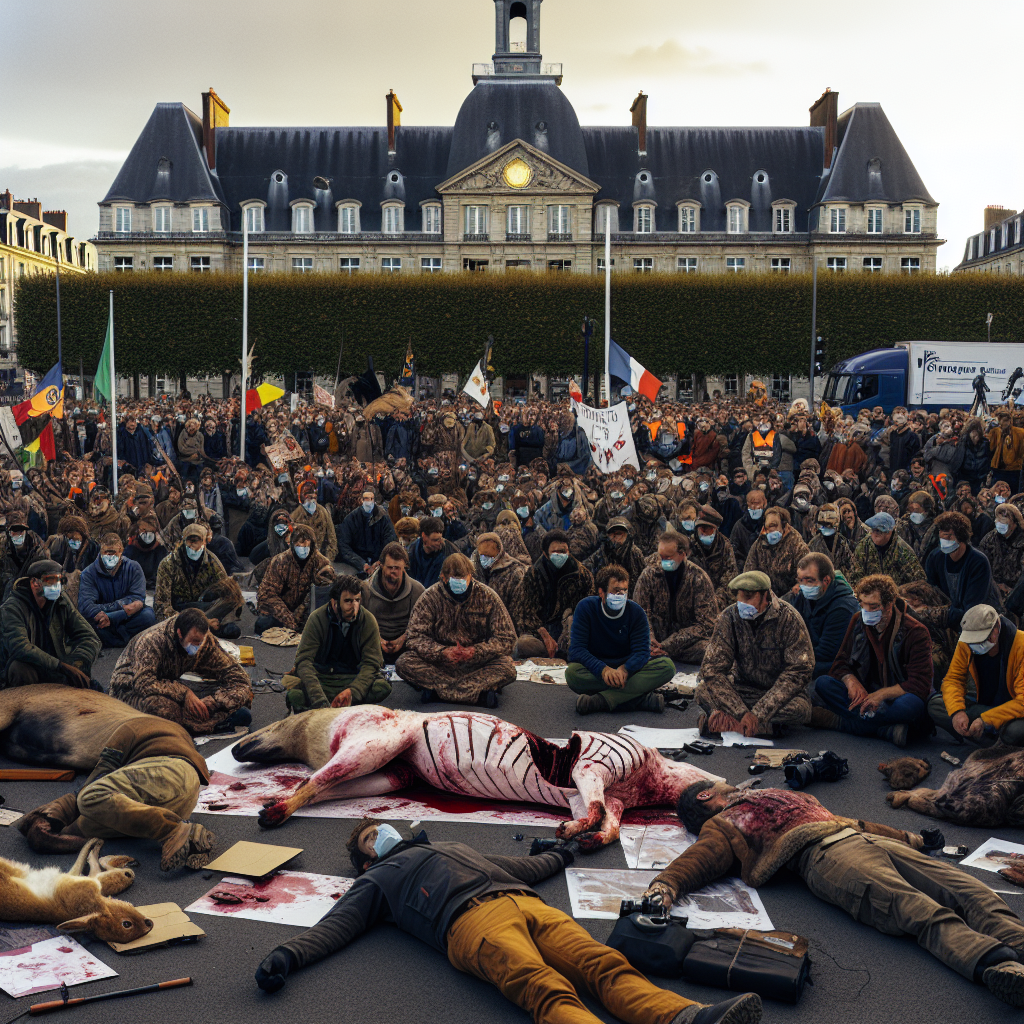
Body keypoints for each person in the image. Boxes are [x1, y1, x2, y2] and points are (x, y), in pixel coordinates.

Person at [253, 819, 761, 1024]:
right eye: (371, 838)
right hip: (471, 924)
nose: (382, 833)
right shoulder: (379, 879)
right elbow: (335, 926)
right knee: (545, 988)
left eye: (381, 827)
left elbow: (518, 868)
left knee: (604, 964)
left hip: (524, 902)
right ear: (366, 860)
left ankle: (685, 1018)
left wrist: (561, 855)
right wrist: (287, 956)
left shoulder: (446, 845)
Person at [643, 782, 1024, 1009]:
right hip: (825, 857)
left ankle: (1017, 941)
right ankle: (998, 965)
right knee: (912, 907)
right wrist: (666, 886)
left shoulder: (769, 794)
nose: (733, 785)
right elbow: (699, 859)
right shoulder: (721, 823)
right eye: (722, 786)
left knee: (968, 888)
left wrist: (911, 839)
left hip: (858, 836)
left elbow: (850, 820)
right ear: (707, 796)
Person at [19, 716, 216, 872]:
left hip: (169, 771)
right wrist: (55, 823)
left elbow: (98, 778)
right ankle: (187, 837)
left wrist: (66, 807)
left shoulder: (129, 727)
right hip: (184, 797)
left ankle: (172, 830)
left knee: (91, 797)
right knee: (85, 823)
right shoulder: (166, 728)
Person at [812, 573, 933, 747]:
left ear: (889, 605)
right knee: (823, 683)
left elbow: (920, 683)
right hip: (865, 692)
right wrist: (851, 680)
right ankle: (885, 729)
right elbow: (839, 664)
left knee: (912, 705)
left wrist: (881, 695)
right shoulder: (857, 620)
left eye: (873, 606)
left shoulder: (915, 632)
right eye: (863, 605)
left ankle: (844, 723)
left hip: (895, 697)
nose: (867, 611)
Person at [696, 570, 814, 737]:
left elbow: (800, 670)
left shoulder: (788, 618)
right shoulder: (729, 616)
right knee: (702, 690)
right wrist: (741, 712)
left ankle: (732, 724)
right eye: (739, 597)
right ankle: (759, 727)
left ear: (765, 595)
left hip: (776, 692)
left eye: (748, 597)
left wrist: (758, 712)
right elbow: (712, 670)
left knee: (800, 710)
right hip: (743, 690)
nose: (742, 603)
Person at [397, 552, 517, 707]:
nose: (460, 582)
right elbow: (415, 637)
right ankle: (477, 695)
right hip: (441, 664)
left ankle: (438, 693)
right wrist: (441, 652)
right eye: (455, 578)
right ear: (443, 577)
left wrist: (476, 651)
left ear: (471, 576)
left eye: (463, 577)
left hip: (476, 664)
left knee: (507, 667)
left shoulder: (488, 596)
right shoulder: (430, 598)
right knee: (404, 662)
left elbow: (507, 639)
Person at [109, 608, 252, 735]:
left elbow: (238, 677)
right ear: (179, 633)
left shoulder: (203, 640)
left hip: (168, 685)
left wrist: (212, 702)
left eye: (201, 641)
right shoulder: (153, 640)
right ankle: (212, 723)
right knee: (161, 709)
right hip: (129, 688)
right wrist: (184, 693)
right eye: (194, 641)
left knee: (242, 691)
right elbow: (143, 683)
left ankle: (196, 720)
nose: (197, 646)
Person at [566, 565, 675, 715]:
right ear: (601, 592)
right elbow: (576, 650)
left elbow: (642, 652)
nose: (621, 595)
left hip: (628, 669)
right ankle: (639, 699)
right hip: (599, 667)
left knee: (667, 666)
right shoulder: (586, 608)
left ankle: (602, 701)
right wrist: (602, 669)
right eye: (616, 591)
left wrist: (626, 669)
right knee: (572, 674)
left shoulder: (636, 612)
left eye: (624, 591)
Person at [282, 575, 390, 711]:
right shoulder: (317, 619)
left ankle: (348, 704)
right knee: (295, 696)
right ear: (334, 603)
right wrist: (319, 700)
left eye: (357, 600)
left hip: (353, 677)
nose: (354, 606)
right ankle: (343, 708)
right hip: (323, 679)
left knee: (382, 687)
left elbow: (371, 663)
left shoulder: (367, 620)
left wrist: (353, 692)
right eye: (348, 601)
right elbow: (304, 662)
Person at [928, 604, 1024, 747]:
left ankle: (985, 738)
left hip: (1010, 713)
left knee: (1015, 731)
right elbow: (953, 679)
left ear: (996, 628)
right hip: (980, 707)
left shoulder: (1020, 645)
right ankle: (990, 740)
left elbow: (1022, 702)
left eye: (981, 638)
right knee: (935, 705)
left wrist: (986, 720)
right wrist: (957, 712)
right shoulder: (966, 642)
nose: (977, 644)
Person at [0, 560, 101, 689]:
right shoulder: (12, 608)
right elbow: (21, 648)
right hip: (32, 667)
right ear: (35, 583)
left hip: (53, 665)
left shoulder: (61, 600)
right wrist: (61, 666)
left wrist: (77, 663)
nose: (56, 585)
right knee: (19, 668)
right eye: (50, 580)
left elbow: (89, 636)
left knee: (86, 682)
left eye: (59, 580)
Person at [634, 532, 719, 664]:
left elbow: (706, 623)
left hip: (684, 644)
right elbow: (640, 611)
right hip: (654, 642)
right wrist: (649, 637)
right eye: (660, 556)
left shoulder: (698, 577)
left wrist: (669, 645)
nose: (663, 561)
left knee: (712, 650)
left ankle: (662, 654)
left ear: (683, 554)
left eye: (668, 557)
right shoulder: (649, 574)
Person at [511, 530, 594, 660]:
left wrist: (569, 627)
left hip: (570, 631)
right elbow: (524, 613)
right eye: (556, 552)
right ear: (545, 553)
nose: (560, 555)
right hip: (540, 631)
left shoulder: (582, 575)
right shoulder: (534, 574)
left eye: (563, 551)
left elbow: (587, 608)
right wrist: (543, 633)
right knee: (523, 644)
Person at [153, 523, 243, 640]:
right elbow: (161, 605)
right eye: (189, 541)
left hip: (203, 607)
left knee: (232, 629)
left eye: (197, 541)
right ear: (183, 542)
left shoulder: (212, 561)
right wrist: (202, 621)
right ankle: (199, 628)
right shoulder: (168, 564)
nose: (193, 545)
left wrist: (220, 612)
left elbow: (229, 592)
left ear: (205, 542)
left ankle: (204, 628)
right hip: (179, 610)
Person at [920, 511, 1001, 631]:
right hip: (948, 619)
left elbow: (973, 607)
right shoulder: (935, 557)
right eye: (941, 535)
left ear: (961, 537)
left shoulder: (978, 562)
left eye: (948, 536)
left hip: (978, 620)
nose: (944, 539)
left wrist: (944, 615)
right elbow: (931, 592)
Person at [784, 552, 860, 679]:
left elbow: (827, 653)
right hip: (807, 656)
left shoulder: (843, 608)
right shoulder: (805, 596)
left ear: (826, 580)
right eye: (800, 580)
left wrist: (791, 658)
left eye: (809, 580)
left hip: (831, 666)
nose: (803, 586)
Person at [77, 533, 157, 647]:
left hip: (122, 617)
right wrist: (122, 609)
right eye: (106, 552)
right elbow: (86, 607)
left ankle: (112, 639)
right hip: (102, 620)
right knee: (86, 625)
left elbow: (138, 599)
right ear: (100, 551)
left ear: (121, 551)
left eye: (113, 552)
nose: (110, 556)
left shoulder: (134, 567)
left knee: (148, 615)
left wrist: (112, 617)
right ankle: (126, 638)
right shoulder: (88, 573)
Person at [254, 524, 337, 635]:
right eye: (298, 544)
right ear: (292, 544)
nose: (302, 547)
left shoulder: (322, 563)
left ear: (311, 543)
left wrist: (300, 614)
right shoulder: (280, 561)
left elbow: (326, 595)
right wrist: (288, 618)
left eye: (305, 543)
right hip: (283, 610)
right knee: (262, 624)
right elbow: (266, 593)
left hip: (308, 610)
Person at [360, 542, 425, 665]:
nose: (393, 572)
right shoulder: (365, 590)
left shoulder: (417, 591)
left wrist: (404, 638)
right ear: (381, 565)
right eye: (390, 567)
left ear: (404, 567)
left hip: (406, 645)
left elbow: (421, 625)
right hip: (373, 643)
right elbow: (360, 622)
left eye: (398, 568)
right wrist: (376, 639)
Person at [742, 505, 809, 597]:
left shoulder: (798, 546)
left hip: (791, 598)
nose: (771, 530)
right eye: (768, 527)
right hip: (764, 598)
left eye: (774, 525)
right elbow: (748, 573)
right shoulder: (759, 545)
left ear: (784, 526)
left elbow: (805, 578)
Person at [850, 511, 926, 587]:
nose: (875, 534)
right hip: (869, 594)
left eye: (879, 531)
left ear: (890, 532)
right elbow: (855, 576)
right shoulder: (864, 546)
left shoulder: (903, 550)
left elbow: (918, 581)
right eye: (873, 530)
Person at [688, 505, 738, 610]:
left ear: (715, 530)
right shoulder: (689, 545)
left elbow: (730, 577)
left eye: (709, 529)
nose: (704, 533)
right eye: (702, 528)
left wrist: (717, 599)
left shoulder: (724, 545)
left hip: (719, 597)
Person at [471, 532, 525, 624]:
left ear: (499, 553)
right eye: (482, 555)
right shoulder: (474, 571)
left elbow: (518, 611)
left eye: (489, 556)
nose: (485, 558)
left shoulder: (514, 572)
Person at [292, 480, 340, 563]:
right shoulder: (295, 517)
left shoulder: (323, 513)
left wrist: (326, 561)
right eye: (308, 497)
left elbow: (332, 540)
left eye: (314, 497)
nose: (312, 500)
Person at [407, 516, 458, 589]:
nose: (440, 542)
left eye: (440, 538)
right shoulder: (411, 553)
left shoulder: (451, 552)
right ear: (424, 536)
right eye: (435, 540)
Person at [988, 408, 1024, 490]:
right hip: (997, 469)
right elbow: (990, 448)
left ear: (1010, 421)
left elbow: (1021, 451)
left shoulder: (1020, 433)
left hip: (1013, 470)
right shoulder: (995, 431)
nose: (1002, 423)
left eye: (1004, 420)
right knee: (996, 492)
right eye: (1000, 421)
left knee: (1011, 492)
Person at [728, 487, 766, 566]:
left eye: (757, 503)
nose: (754, 507)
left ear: (764, 503)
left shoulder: (768, 523)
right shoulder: (740, 525)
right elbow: (733, 549)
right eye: (751, 503)